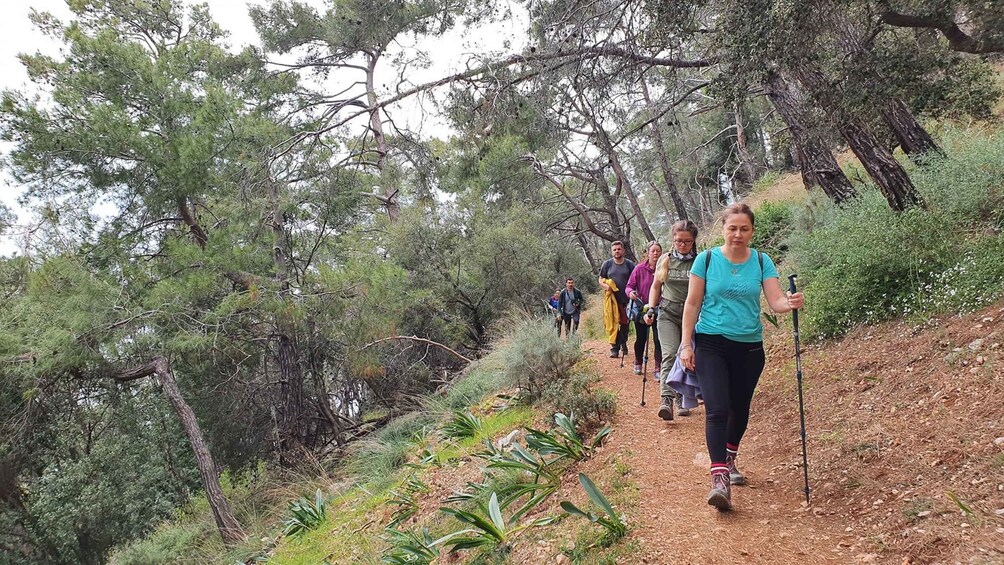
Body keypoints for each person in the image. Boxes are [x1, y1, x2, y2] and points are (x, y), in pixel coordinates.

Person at [680, 203, 804, 512]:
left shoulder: (761, 261)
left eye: (744, 229)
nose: (738, 234)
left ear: (752, 231)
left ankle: (731, 455)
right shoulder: (706, 261)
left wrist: (790, 303)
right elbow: (692, 304)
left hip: (749, 348)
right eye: (732, 228)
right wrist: (686, 345)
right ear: (723, 229)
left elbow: (775, 300)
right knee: (717, 409)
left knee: (740, 408)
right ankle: (719, 476)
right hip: (711, 344)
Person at [646, 221, 698, 421]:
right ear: (673, 240)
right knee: (669, 353)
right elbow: (656, 286)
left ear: (693, 241)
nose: (682, 245)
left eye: (687, 241)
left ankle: (683, 398)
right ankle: (666, 399)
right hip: (667, 312)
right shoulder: (665, 259)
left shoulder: (700, 261)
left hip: (692, 314)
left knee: (687, 355)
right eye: (678, 241)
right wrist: (651, 308)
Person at [626, 241, 662, 376]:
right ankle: (638, 361)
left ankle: (658, 366)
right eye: (653, 251)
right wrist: (631, 293)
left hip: (660, 308)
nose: (655, 253)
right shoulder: (639, 268)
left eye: (658, 251)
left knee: (659, 339)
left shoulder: (665, 268)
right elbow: (629, 286)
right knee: (641, 338)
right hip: (642, 308)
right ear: (647, 253)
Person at [598, 241, 635, 358]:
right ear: (611, 251)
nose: (617, 251)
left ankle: (623, 342)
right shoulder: (607, 264)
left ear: (623, 251)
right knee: (613, 324)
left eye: (619, 249)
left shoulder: (629, 264)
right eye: (614, 250)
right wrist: (605, 286)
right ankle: (615, 348)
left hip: (626, 300)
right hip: (612, 300)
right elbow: (600, 279)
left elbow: (635, 279)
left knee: (625, 324)